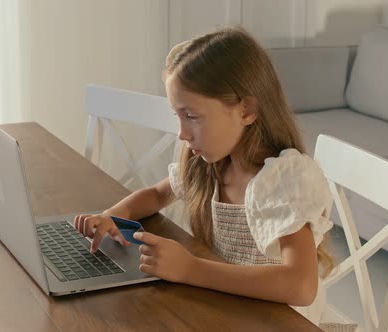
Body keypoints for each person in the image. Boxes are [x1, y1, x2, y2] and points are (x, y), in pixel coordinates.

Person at [74, 27, 335, 325]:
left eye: (192, 116)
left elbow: (300, 287)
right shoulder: (210, 163)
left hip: (276, 319)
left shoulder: (282, 178)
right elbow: (159, 194)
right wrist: (113, 216)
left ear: (246, 110)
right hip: (225, 304)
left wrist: (190, 269)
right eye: (178, 116)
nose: (182, 133)